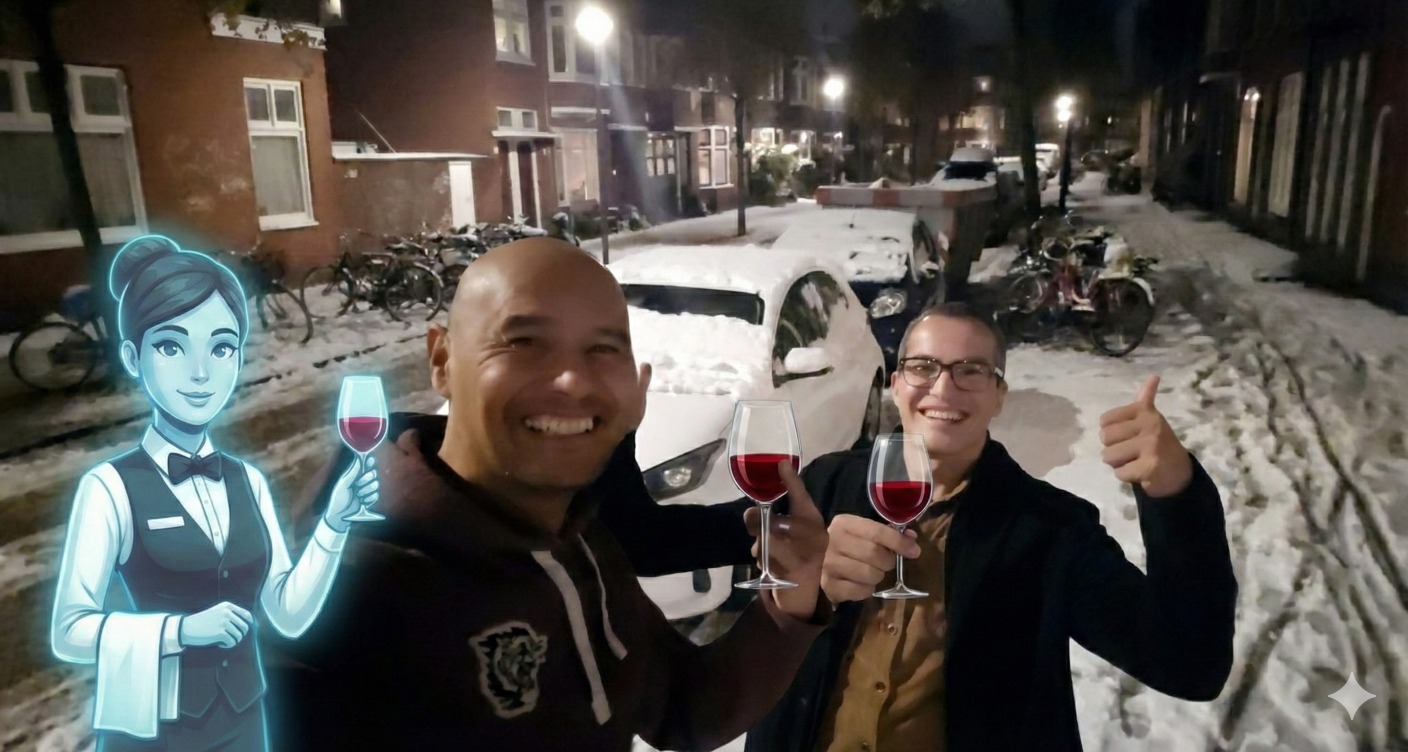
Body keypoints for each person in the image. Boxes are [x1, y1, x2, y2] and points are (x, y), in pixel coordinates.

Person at [266, 238, 831, 750]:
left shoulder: (580, 540)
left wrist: (792, 600)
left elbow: (684, 709)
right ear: (441, 361)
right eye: (524, 342)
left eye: (603, 349)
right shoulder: (338, 603)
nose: (574, 381)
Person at [744, 302, 1237, 751]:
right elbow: (754, 608)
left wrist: (1174, 489)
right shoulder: (825, 487)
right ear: (896, 383)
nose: (943, 388)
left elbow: (1189, 665)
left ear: (999, 395)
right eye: (923, 367)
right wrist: (801, 588)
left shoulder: (1049, 529)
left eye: (971, 371)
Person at [50, 235, 378, 751]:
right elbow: (69, 632)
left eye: (221, 347)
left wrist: (333, 526)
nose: (200, 372)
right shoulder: (110, 487)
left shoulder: (248, 480)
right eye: (171, 346)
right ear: (133, 357)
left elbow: (288, 613)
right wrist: (181, 632)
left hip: (243, 721)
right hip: (153, 731)